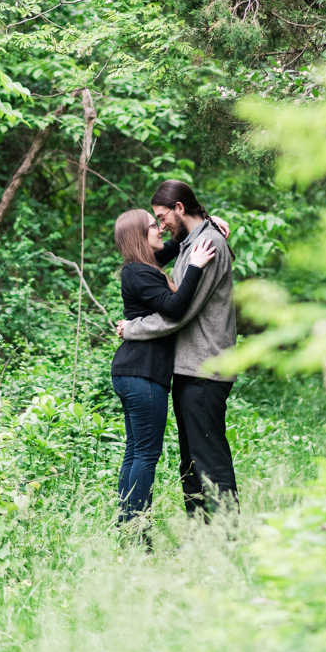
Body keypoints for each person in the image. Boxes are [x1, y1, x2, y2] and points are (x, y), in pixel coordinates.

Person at [116, 180, 238, 519]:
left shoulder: (206, 245)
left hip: (206, 367)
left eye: (161, 216)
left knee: (208, 455)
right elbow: (160, 254)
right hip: (188, 367)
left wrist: (133, 328)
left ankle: (224, 536)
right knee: (191, 458)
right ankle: (200, 534)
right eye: (154, 222)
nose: (161, 226)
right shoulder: (189, 245)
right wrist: (211, 221)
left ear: (179, 208)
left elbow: (179, 312)